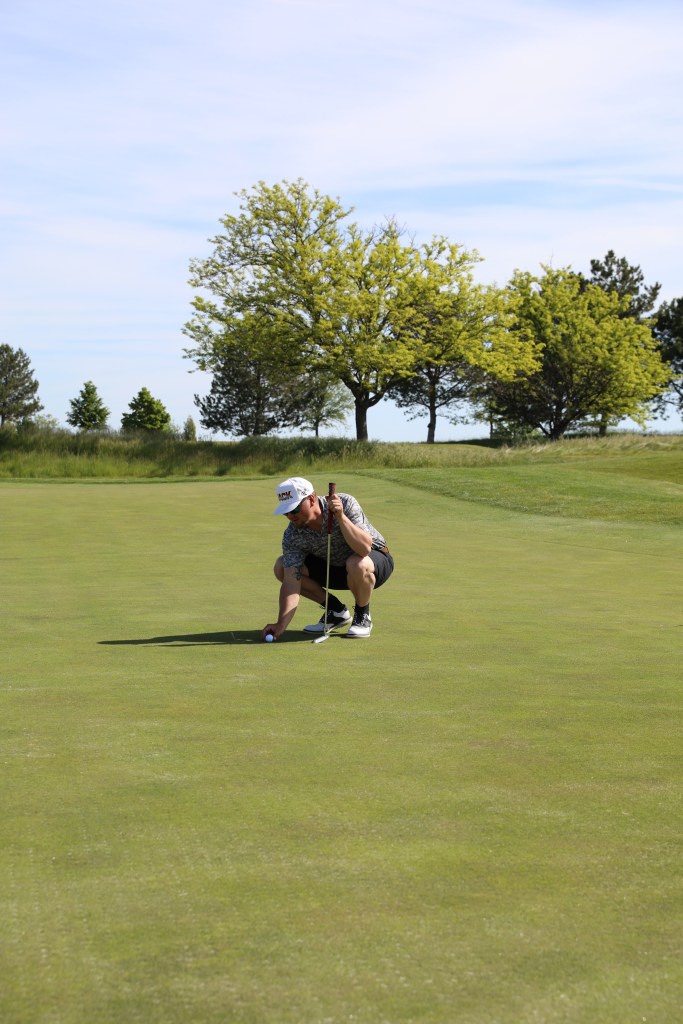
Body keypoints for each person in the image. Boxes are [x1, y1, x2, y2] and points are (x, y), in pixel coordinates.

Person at [262, 477, 394, 641]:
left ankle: (362, 615)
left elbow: (364, 549)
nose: (290, 516)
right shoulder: (292, 534)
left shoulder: (345, 503)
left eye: (294, 509)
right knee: (282, 567)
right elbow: (291, 581)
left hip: (372, 562)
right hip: (335, 568)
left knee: (356, 563)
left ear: (311, 499)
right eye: (285, 512)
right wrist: (281, 624)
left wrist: (340, 517)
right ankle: (336, 612)